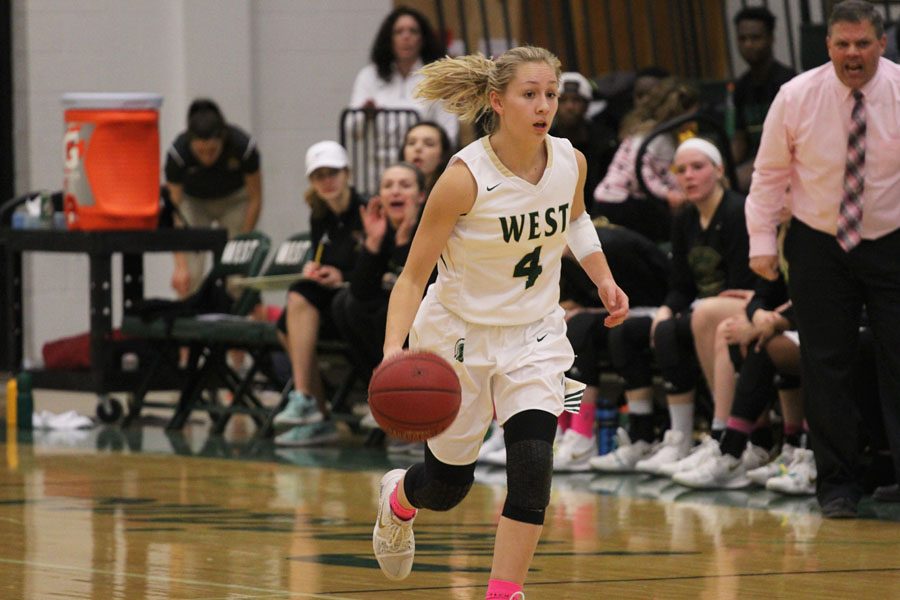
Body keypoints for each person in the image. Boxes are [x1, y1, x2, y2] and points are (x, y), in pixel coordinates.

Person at [369, 46, 628, 599]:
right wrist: (395, 349)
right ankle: (400, 499)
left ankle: (503, 593)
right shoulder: (464, 178)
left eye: (551, 95)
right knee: (446, 486)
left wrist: (603, 279)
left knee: (533, 470)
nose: (544, 106)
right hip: (458, 336)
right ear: (497, 100)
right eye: (530, 94)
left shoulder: (570, 160)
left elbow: (576, 219)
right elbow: (414, 276)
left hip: (534, 334)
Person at [746, 0, 900, 518]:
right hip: (817, 241)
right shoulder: (796, 96)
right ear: (828, 46)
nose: (852, 54)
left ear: (882, 43)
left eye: (862, 44)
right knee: (825, 363)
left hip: (891, 238)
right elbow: (767, 175)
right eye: (842, 44)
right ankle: (837, 485)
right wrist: (762, 243)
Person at [593, 138, 755, 475]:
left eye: (698, 167)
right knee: (630, 331)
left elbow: (741, 284)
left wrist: (682, 311)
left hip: (732, 308)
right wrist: (666, 309)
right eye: (681, 170)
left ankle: (711, 434)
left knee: (672, 331)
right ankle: (656, 437)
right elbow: (680, 285)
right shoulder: (684, 219)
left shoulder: (737, 211)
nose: (689, 176)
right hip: (697, 308)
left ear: (720, 170)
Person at [330, 161, 431, 456]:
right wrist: (373, 243)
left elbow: (424, 289)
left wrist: (403, 244)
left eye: (404, 185)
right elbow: (361, 292)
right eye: (388, 186)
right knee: (346, 304)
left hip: (435, 320)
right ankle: (386, 396)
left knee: (403, 314)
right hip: (388, 336)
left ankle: (421, 415)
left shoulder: (430, 227)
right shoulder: (382, 229)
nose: (395, 191)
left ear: (421, 196)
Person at [272, 141, 364, 447]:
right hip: (331, 296)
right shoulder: (319, 214)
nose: (327, 181)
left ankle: (311, 407)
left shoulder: (365, 211)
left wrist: (343, 276)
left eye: (332, 173)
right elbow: (326, 257)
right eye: (319, 175)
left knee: (297, 304)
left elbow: (375, 265)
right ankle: (312, 407)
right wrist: (316, 268)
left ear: (347, 173)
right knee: (287, 319)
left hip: (356, 299)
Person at [349, 6, 459, 191]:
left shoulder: (437, 78)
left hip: (423, 175)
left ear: (422, 38)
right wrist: (365, 114)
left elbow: (449, 133)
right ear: (389, 39)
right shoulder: (369, 76)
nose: (406, 37)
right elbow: (351, 128)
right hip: (377, 172)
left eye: (413, 31)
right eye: (399, 31)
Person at [165, 99, 262, 296]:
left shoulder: (243, 147)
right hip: (194, 203)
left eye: (212, 150)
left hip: (235, 201)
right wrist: (180, 264)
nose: (206, 157)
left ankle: (239, 320)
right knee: (189, 276)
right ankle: (189, 323)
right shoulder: (178, 154)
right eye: (200, 151)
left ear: (222, 140)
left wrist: (242, 241)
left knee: (237, 275)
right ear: (190, 143)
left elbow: (255, 198)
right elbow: (172, 210)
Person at [593, 77, 699, 242]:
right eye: (692, 115)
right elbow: (642, 173)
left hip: (625, 200)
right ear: (680, 115)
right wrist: (669, 193)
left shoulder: (663, 136)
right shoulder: (655, 137)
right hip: (618, 203)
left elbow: (664, 172)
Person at [731, 7, 797, 192]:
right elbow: (739, 138)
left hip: (784, 162)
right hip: (753, 162)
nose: (748, 45)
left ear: (771, 38)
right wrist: (721, 165)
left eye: (755, 38)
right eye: (742, 39)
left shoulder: (789, 82)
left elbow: (792, 143)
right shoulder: (741, 86)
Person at [549, 72, 618, 212]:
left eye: (576, 100)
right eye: (563, 101)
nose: (569, 107)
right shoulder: (545, 140)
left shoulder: (605, 140)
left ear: (587, 105)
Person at [398, 121, 453, 198]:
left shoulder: (452, 193)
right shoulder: (392, 193)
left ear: (443, 155)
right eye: (411, 143)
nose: (418, 148)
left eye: (429, 144)